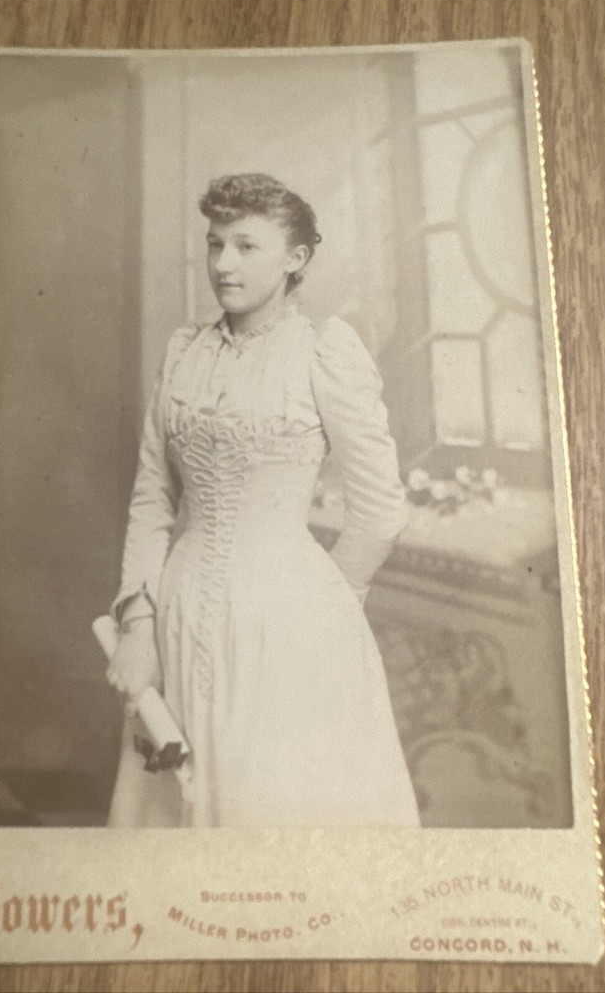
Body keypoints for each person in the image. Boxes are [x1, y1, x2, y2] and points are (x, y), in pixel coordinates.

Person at [106, 173, 420, 828]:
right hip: (180, 611)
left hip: (289, 625)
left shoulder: (322, 353)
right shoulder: (184, 351)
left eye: (246, 247)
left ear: (296, 258)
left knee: (276, 815)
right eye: (216, 244)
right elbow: (152, 500)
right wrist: (138, 625)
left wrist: (326, 601)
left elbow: (382, 509)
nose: (222, 264)